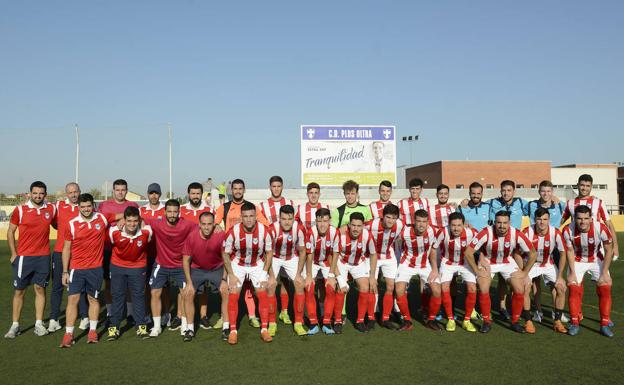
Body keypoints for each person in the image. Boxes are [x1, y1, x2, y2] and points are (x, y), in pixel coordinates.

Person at [59, 193, 120, 347]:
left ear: (93, 206)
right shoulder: (72, 224)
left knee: (93, 299)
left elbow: (122, 215)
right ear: (78, 207)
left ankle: (92, 332)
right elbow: (66, 248)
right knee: (73, 300)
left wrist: (126, 221)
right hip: (76, 269)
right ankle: (68, 334)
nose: (86, 209)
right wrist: (65, 271)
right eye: (83, 207)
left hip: (95, 269)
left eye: (88, 206)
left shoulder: (102, 218)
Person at [464, 211, 536, 334]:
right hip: (488, 261)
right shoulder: (486, 232)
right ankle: (486, 321)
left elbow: (533, 253)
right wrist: (476, 269)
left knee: (520, 288)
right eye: (499, 223)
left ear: (509, 223)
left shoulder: (516, 233)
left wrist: (524, 273)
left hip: (507, 261)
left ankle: (515, 321)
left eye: (505, 223)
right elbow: (468, 252)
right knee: (483, 287)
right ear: (494, 223)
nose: (502, 226)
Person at [214, 178, 269, 328]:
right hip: (231, 253)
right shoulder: (224, 207)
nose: (238, 191)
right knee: (227, 287)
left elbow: (265, 224)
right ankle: (224, 317)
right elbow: (214, 222)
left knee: (250, 288)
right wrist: (217, 227)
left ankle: (252, 316)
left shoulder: (252, 208)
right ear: (231, 191)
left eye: (240, 189)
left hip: (250, 253)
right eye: (235, 189)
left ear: (244, 190)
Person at [5, 181, 56, 339]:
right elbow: (10, 232)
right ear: (30, 194)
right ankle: (15, 326)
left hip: (43, 257)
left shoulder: (51, 209)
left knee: (40, 289)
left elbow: (60, 225)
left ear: (45, 194)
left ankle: (39, 324)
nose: (38, 196)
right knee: (19, 291)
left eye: (41, 193)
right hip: (24, 257)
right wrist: (14, 253)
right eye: (35, 193)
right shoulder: (20, 210)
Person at [222, 202, 274, 345]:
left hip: (257, 264)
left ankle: (264, 329)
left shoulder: (265, 231)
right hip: (238, 264)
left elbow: (269, 253)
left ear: (256, 216)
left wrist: (265, 272)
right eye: (246, 216)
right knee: (233, 294)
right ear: (241, 217)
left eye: (252, 216)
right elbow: (225, 254)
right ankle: (233, 331)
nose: (249, 219)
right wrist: (231, 274)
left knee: (262, 293)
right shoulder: (233, 231)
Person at [143, 199, 197, 337]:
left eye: (175, 212)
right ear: (165, 212)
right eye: (170, 212)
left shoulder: (187, 225)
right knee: (154, 293)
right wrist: (120, 220)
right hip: (161, 264)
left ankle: (184, 326)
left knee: (185, 294)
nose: (172, 215)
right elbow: (140, 219)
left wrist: (216, 226)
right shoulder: (157, 223)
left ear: (179, 212)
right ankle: (156, 327)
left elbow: (203, 226)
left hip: (180, 265)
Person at [563, 205, 615, 337]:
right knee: (573, 287)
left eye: (586, 218)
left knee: (605, 287)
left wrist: (604, 272)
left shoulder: (601, 228)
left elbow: (609, 249)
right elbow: (569, 251)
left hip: (596, 259)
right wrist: (572, 272)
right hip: (577, 259)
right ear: (574, 218)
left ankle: (604, 324)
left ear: (591, 218)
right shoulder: (568, 230)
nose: (582, 222)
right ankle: (574, 323)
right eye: (579, 218)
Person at [181, 212, 229, 342]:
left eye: (209, 224)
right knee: (188, 293)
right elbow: (185, 261)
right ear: (199, 224)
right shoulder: (192, 237)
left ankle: (226, 327)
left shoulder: (220, 235)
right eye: (204, 224)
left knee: (225, 291)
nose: (207, 227)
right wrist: (189, 282)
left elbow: (226, 259)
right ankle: (190, 329)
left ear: (214, 224)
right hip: (197, 269)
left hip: (216, 269)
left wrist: (224, 279)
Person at [107, 206, 152, 340]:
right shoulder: (114, 232)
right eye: (129, 221)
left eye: (135, 221)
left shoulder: (146, 232)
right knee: (117, 296)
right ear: (124, 220)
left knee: (138, 296)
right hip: (118, 266)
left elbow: (146, 229)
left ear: (139, 220)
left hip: (138, 267)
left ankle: (141, 327)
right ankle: (114, 328)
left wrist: (142, 219)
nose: (132, 224)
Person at [97, 179, 139, 325]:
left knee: (128, 284)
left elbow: (138, 220)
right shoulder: (104, 205)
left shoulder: (132, 205)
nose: (120, 192)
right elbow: (102, 220)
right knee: (109, 284)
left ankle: (130, 314)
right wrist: (121, 216)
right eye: (117, 189)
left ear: (126, 190)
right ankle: (110, 313)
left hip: (128, 249)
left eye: (123, 189)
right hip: (109, 249)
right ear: (113, 191)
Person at [49, 182, 88, 333]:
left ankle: (85, 316)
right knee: (58, 286)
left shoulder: (85, 207)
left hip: (79, 254)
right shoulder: (58, 207)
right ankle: (53, 319)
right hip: (60, 252)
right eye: (70, 192)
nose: (73, 194)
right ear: (67, 194)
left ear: (79, 192)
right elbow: (54, 223)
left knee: (81, 286)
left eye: (76, 191)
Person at [394, 209, 442, 331]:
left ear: (428, 222)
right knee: (399, 290)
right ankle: (407, 320)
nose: (421, 224)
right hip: (406, 264)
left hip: (425, 264)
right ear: (414, 221)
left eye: (424, 221)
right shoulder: (404, 231)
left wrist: (435, 269)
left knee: (437, 290)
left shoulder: (433, 231)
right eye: (418, 221)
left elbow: (449, 230)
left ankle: (431, 320)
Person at [522, 208, 568, 334]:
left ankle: (557, 321)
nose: (542, 222)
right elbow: (517, 253)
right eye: (539, 219)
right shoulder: (527, 232)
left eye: (545, 219)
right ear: (534, 220)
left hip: (548, 263)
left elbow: (563, 254)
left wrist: (560, 276)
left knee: (561, 287)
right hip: (530, 264)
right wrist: (523, 273)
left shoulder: (555, 233)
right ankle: (528, 321)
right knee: (525, 286)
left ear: (549, 220)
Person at [332, 212, 378, 333]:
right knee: (340, 289)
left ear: (363, 226)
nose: (356, 228)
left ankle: (360, 321)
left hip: (358, 263)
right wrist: (338, 276)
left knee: (365, 287)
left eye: (358, 226)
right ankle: (337, 320)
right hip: (342, 262)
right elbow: (333, 256)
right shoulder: (340, 235)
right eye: (353, 225)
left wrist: (372, 276)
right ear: (348, 225)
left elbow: (373, 254)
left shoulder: (367, 235)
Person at [268, 205, 307, 336]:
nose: (287, 222)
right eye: (284, 219)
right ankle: (272, 323)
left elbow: (302, 252)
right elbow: (267, 253)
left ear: (293, 218)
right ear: (279, 218)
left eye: (290, 219)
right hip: (274, 257)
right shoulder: (272, 229)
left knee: (299, 283)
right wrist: (272, 276)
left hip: (291, 257)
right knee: (271, 285)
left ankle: (298, 323)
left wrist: (298, 274)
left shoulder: (299, 228)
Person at [436, 212, 479, 332]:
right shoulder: (443, 232)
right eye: (453, 225)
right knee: (444, 287)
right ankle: (450, 319)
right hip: (448, 262)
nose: (456, 228)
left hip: (465, 263)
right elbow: (434, 248)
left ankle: (466, 320)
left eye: (459, 225)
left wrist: (481, 262)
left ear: (464, 225)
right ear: (449, 225)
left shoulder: (472, 232)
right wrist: (435, 268)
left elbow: (482, 247)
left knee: (472, 288)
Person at [561, 174, 619, 260]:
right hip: (576, 248)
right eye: (582, 185)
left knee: (603, 273)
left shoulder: (598, 202)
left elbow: (609, 224)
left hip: (597, 248)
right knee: (573, 273)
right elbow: (559, 222)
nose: (584, 188)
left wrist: (615, 246)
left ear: (591, 186)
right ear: (577, 185)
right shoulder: (570, 203)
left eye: (588, 186)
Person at [366, 204, 403, 330]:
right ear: (382, 216)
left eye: (394, 218)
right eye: (388, 217)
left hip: (388, 255)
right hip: (373, 257)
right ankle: (371, 317)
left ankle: (385, 318)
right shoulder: (372, 225)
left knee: (391, 286)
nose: (390, 221)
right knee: (372, 286)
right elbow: (356, 228)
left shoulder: (400, 225)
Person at [303, 208, 338, 335]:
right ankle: (313, 323)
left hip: (326, 262)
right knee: (309, 287)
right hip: (312, 262)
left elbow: (335, 254)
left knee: (330, 287)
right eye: (319, 221)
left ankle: (326, 322)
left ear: (329, 221)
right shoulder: (311, 232)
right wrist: (309, 275)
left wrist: (331, 275)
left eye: (325, 221)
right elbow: (309, 255)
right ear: (315, 221)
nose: (322, 224)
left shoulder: (334, 232)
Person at [140, 183, 166, 326]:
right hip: (144, 254)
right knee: (146, 287)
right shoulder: (141, 210)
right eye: (151, 193)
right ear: (148, 194)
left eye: (156, 193)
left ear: (160, 194)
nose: (154, 196)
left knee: (165, 288)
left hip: (162, 254)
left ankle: (166, 314)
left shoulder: (166, 210)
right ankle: (147, 314)